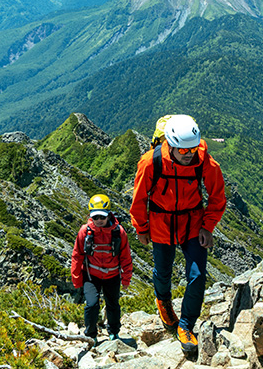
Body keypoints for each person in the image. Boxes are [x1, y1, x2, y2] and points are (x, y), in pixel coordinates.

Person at [129, 115, 226, 356]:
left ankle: (186, 326)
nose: (189, 153)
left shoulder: (204, 161)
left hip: (192, 222)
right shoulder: (150, 163)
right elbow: (139, 199)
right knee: (163, 272)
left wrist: (207, 226)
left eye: (193, 148)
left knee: (197, 275)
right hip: (161, 223)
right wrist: (141, 228)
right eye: (183, 149)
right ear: (170, 144)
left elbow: (218, 196)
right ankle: (163, 303)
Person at [71, 193, 133, 344]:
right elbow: (77, 255)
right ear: (91, 216)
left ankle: (114, 333)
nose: (99, 220)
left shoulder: (119, 232)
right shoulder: (85, 231)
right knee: (91, 304)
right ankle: (91, 335)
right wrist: (77, 279)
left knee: (113, 304)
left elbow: (126, 257)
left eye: (102, 217)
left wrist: (126, 278)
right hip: (91, 275)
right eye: (96, 217)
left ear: (108, 215)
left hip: (112, 275)